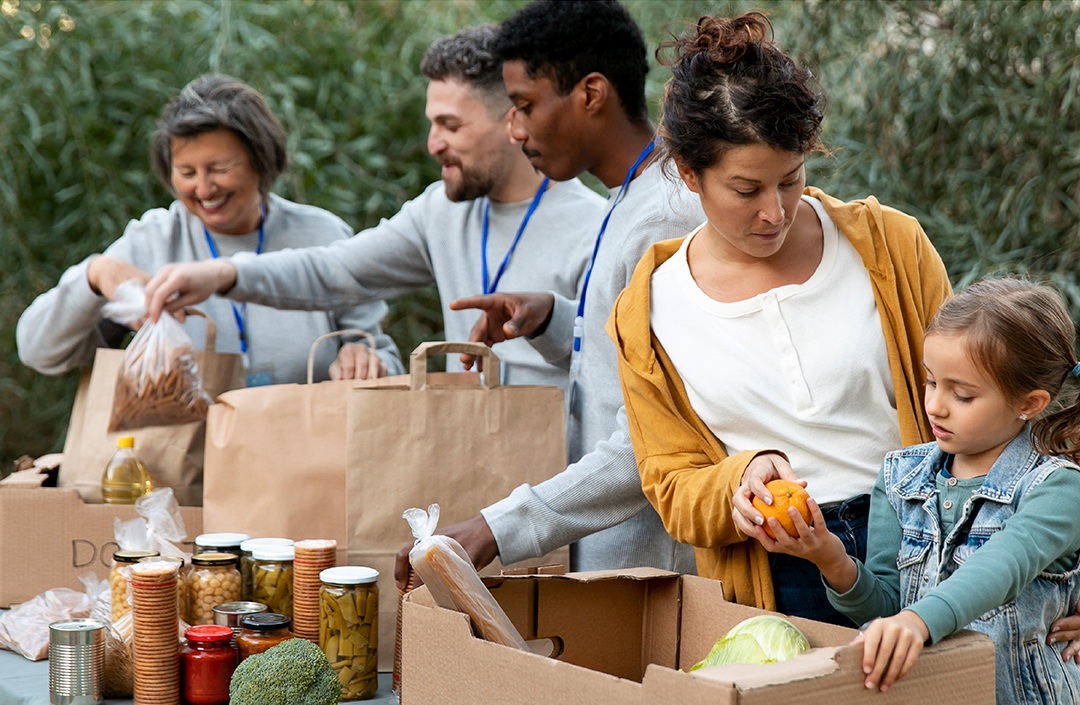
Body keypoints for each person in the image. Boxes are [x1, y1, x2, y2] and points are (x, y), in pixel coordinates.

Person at [607, 12, 953, 624]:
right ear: (689, 173)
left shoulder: (892, 249)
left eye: (791, 180)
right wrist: (738, 479)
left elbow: (986, 404)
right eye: (746, 190)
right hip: (776, 578)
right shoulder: (651, 309)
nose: (775, 212)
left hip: (925, 550)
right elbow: (671, 487)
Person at [410, 0, 703, 579]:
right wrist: (552, 321)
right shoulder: (631, 196)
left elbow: (653, 437)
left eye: (524, 105)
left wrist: (497, 527)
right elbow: (624, 363)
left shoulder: (664, 219)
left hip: (654, 573)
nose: (516, 130)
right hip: (616, 558)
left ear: (591, 94)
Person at [143, 25, 604, 390]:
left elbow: (609, 377)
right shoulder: (439, 212)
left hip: (554, 489)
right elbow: (336, 271)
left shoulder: (592, 229)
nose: (432, 144)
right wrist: (225, 275)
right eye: (431, 124)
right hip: (473, 474)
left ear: (511, 120)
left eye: (450, 126)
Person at [767, 278, 1080, 699]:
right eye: (932, 381)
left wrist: (917, 622)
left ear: (1030, 403)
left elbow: (1003, 566)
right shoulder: (899, 478)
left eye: (963, 395)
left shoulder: (1058, 488)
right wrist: (831, 558)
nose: (935, 405)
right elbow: (885, 607)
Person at [17, 74, 402, 386]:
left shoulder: (322, 234)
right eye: (186, 172)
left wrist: (367, 359)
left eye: (219, 169)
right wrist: (93, 274)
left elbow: (385, 355)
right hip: (188, 473)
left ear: (261, 161)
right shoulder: (153, 240)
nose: (203, 189)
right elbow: (39, 352)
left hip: (307, 463)